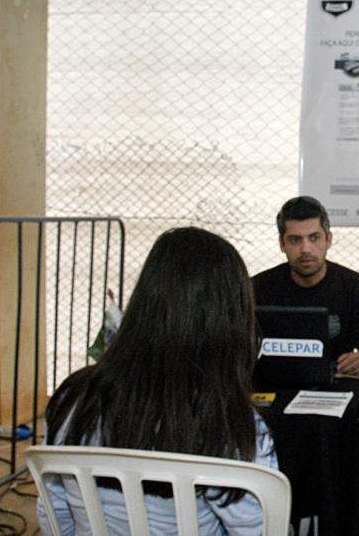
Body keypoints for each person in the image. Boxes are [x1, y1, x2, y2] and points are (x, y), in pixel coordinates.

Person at [37, 227, 278, 535]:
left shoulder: (71, 398)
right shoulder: (229, 421)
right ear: (231, 317)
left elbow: (54, 515)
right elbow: (259, 528)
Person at [253, 196, 359, 376]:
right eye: (295, 240)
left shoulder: (354, 285)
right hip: (272, 386)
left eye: (314, 238)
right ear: (282, 244)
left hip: (336, 384)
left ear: (328, 240)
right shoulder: (256, 287)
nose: (305, 249)